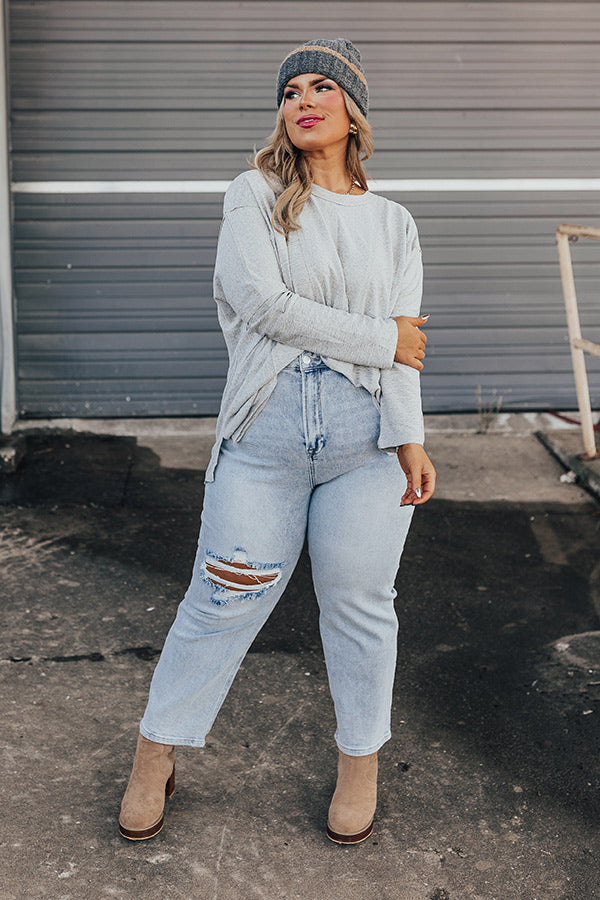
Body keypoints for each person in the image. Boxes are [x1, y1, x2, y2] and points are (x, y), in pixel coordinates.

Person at [118, 37, 436, 846]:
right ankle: (156, 752)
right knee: (222, 599)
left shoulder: (394, 223)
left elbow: (409, 352)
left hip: (367, 447)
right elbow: (264, 304)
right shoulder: (253, 193)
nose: (303, 101)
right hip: (266, 440)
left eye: (322, 87)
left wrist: (410, 437)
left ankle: (359, 763)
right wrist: (381, 338)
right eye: (291, 91)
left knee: (362, 607)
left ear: (352, 110)